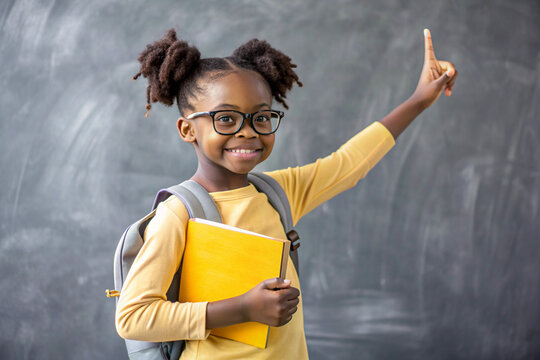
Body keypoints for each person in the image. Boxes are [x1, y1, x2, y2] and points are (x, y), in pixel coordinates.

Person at [115, 28, 457, 359]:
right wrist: (242, 308)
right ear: (188, 129)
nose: (248, 132)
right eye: (227, 119)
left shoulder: (276, 192)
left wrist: (419, 100)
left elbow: (350, 163)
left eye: (261, 117)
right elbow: (133, 318)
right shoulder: (179, 214)